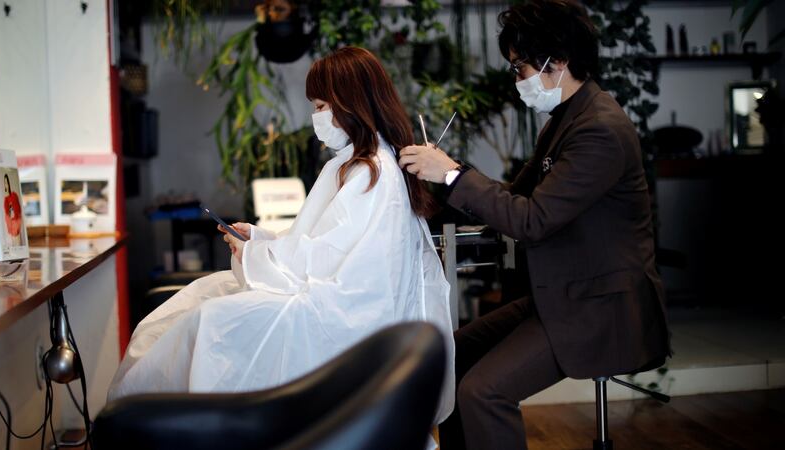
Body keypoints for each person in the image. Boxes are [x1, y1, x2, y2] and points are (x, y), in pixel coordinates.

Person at [108, 47, 455, 426]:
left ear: (349, 102)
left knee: (210, 320)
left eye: (322, 105)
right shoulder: (357, 162)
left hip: (346, 314)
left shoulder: (372, 172)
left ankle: (182, 430)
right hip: (333, 294)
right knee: (191, 306)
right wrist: (259, 238)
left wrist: (256, 253)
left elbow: (330, 261)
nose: (316, 116)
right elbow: (320, 240)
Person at [398, 1, 671, 449]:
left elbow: (532, 219)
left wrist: (450, 174)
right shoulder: (564, 121)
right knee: (452, 358)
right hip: (561, 294)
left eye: (520, 67)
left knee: (483, 391)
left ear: (557, 62)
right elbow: (515, 196)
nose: (518, 80)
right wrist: (435, 185)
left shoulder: (598, 129)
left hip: (600, 307)